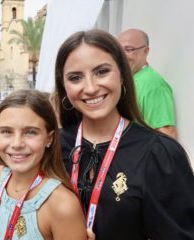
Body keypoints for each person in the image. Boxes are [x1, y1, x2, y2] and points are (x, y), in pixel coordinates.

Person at [54, 29, 194, 239]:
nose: (90, 88)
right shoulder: (53, 145)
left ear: (122, 74)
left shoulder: (159, 154)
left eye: (102, 71)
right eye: (75, 77)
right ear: (64, 87)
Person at [0, 89, 87, 240]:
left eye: (30, 132)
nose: (17, 144)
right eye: (7, 131)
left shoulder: (63, 206)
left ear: (49, 138)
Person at [118, 28, 177, 139]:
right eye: (119, 51)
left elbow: (167, 134)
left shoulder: (153, 84)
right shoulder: (125, 79)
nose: (122, 56)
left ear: (146, 51)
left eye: (129, 49)